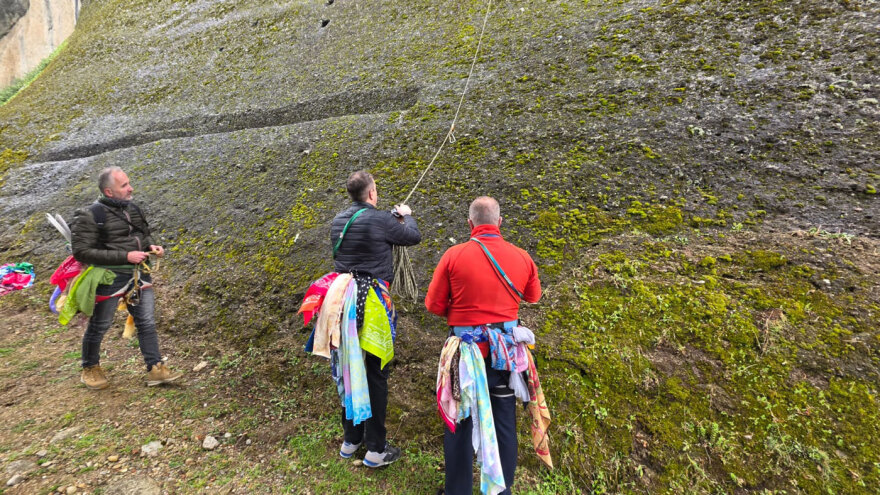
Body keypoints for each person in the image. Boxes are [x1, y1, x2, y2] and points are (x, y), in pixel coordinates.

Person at [298, 170, 421, 468]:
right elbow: (412, 236)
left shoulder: (338, 221)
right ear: (371, 193)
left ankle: (351, 439)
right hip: (372, 302)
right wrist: (405, 215)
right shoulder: (381, 219)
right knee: (376, 372)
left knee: (349, 366)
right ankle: (376, 448)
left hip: (341, 301)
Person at [425, 196, 543, 495]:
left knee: (460, 421)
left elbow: (434, 305)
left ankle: (458, 490)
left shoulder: (453, 255)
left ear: (469, 224)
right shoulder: (522, 257)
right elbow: (533, 296)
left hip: (466, 357)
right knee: (504, 420)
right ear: (500, 222)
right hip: (505, 356)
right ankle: (501, 490)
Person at [70, 166, 182, 390]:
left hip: (139, 274)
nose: (131, 188)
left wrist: (152, 246)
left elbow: (142, 235)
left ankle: (155, 368)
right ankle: (90, 367)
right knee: (100, 324)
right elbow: (81, 252)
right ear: (109, 192)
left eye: (128, 183)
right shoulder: (90, 215)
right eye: (124, 185)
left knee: (147, 323)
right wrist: (125, 256)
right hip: (109, 278)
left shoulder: (134, 208)